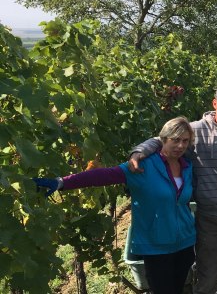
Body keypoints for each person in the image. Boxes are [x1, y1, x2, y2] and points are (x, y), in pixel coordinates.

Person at [33, 117, 197, 294]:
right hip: (156, 245)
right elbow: (102, 175)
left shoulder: (187, 166)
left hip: (185, 243)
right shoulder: (142, 166)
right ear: (163, 139)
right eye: (175, 140)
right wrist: (61, 183)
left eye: (185, 141)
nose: (180, 146)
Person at [129, 84, 217, 294]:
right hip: (208, 214)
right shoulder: (195, 130)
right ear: (215, 104)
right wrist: (139, 152)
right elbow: (161, 139)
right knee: (208, 271)